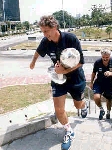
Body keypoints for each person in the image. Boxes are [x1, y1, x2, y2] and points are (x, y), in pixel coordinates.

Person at [30, 15, 88, 150]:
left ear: (54, 27)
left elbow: (81, 62)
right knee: (58, 109)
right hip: (58, 78)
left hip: (75, 78)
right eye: (42, 31)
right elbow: (38, 52)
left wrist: (65, 71)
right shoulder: (46, 41)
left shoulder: (70, 38)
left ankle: (83, 105)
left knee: (78, 105)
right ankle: (68, 131)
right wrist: (33, 62)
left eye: (46, 31)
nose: (44, 34)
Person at [89, 48, 112, 120]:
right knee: (96, 97)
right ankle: (101, 109)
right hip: (99, 83)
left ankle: (108, 112)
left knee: (109, 99)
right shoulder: (97, 62)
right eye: (103, 57)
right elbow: (94, 72)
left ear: (109, 56)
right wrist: (91, 82)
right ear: (101, 56)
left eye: (107, 57)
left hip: (109, 83)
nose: (105, 59)